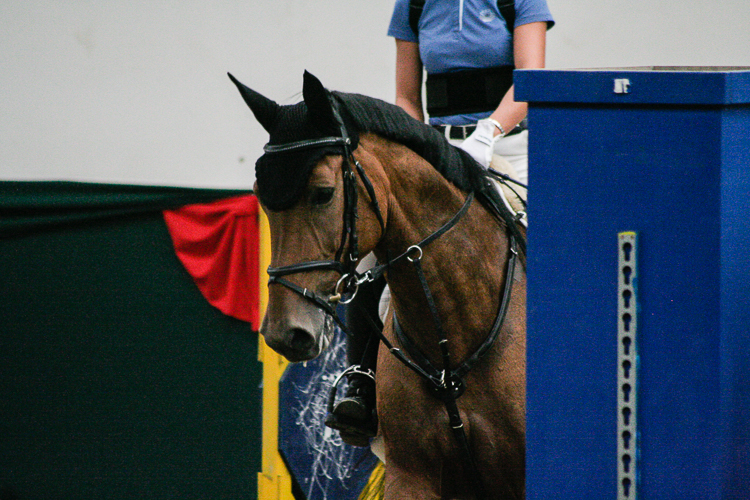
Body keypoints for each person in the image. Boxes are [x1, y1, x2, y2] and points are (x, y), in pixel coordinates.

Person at [325, 0, 554, 447]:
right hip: (438, 148)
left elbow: (529, 79)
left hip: (510, 146)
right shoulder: (413, 5)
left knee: (546, 244)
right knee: (377, 253)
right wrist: (417, 146)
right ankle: (360, 381)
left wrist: (488, 132)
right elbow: (408, 97)